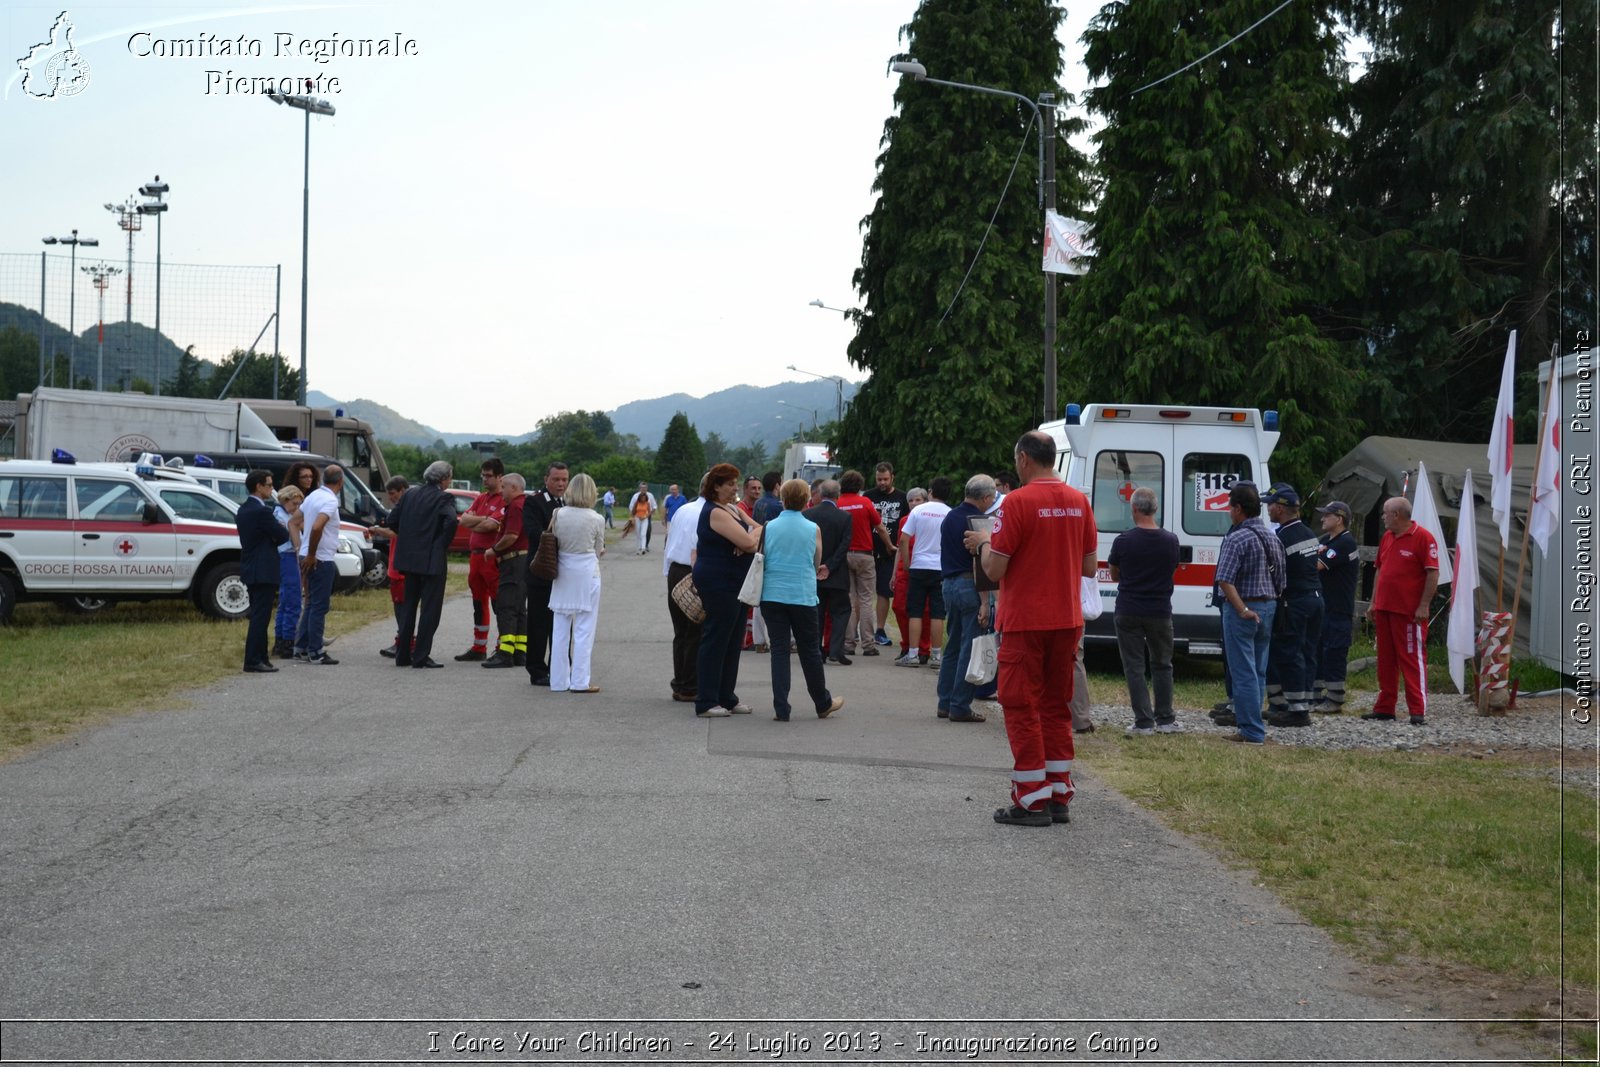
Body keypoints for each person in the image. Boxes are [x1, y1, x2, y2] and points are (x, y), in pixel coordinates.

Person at [965, 431, 1098, 827]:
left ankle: (1030, 800)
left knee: (1021, 705)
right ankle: (1058, 793)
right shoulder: (1079, 501)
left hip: (1026, 620)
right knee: (1057, 706)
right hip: (1067, 619)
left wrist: (985, 542)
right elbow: (1088, 567)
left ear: (1023, 459)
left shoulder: (1017, 503)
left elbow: (995, 569)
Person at [760, 478, 844, 721]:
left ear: (782, 499)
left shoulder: (769, 526)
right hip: (802, 595)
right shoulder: (812, 528)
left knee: (779, 650)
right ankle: (822, 702)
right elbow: (816, 562)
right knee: (809, 650)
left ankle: (781, 707)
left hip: (772, 594)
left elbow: (763, 556)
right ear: (808, 499)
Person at [1214, 482, 1287, 744]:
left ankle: (1251, 730)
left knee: (1242, 671)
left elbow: (1224, 579)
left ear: (1239, 509)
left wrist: (1242, 608)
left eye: (1231, 507)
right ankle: (1255, 726)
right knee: (1258, 671)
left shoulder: (1236, 538)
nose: (1229, 512)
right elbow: (1282, 579)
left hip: (1243, 609)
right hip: (1268, 605)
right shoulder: (1272, 536)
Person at [1108, 486, 1181, 735]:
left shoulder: (1123, 541)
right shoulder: (1171, 540)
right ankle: (1166, 718)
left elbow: (1115, 573)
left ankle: (1143, 721)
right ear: (1156, 509)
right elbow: (1170, 570)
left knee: (1134, 667)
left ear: (1134, 509)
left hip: (1129, 608)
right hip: (1160, 610)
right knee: (1163, 664)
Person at [692, 463, 761, 718]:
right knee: (716, 639)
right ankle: (706, 700)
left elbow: (760, 528)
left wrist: (747, 540)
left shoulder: (732, 509)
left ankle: (727, 697)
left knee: (733, 641)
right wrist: (746, 542)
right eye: (730, 484)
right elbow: (750, 542)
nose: (735, 488)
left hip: (736, 581)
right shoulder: (715, 513)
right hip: (719, 581)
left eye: (735, 483)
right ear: (716, 487)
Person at [1364, 496, 1439, 725]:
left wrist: (1424, 604)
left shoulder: (1423, 538)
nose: (1383, 517)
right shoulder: (1388, 537)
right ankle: (1385, 707)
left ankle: (1417, 709)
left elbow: (1432, 573)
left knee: (1411, 659)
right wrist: (1374, 601)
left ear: (1397, 515)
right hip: (1385, 608)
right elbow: (1380, 570)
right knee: (1385, 660)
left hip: (1407, 612)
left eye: (1385, 513)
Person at [1263, 482, 1324, 729]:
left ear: (1279, 508)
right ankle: (1288, 704)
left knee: (1289, 654)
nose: (1267, 510)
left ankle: (1296, 711)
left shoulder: (1281, 538)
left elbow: (1274, 572)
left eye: (1270, 506)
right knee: (1306, 653)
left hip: (1294, 602)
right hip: (1315, 599)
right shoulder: (1309, 533)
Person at [937, 475, 997, 723]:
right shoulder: (978, 522)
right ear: (985, 498)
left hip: (948, 584)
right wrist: (985, 601)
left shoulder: (950, 516)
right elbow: (978, 565)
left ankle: (945, 701)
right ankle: (960, 705)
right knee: (970, 647)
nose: (992, 502)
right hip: (969, 586)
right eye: (992, 498)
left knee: (952, 645)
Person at [389, 460, 459, 669]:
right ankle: (420, 655)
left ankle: (402, 655)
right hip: (431, 560)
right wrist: (440, 544)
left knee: (409, 607)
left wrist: (409, 538)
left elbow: (392, 520)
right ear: (444, 479)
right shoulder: (444, 497)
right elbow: (452, 521)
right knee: (430, 609)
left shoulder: (410, 494)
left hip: (409, 560)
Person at [547, 473, 607, 693]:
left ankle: (558, 681)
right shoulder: (596, 518)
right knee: (584, 628)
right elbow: (599, 550)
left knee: (560, 627)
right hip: (586, 572)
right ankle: (580, 680)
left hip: (562, 571)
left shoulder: (558, 513)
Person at [836, 470, 893, 656]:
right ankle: (868, 644)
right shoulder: (865, 502)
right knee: (867, 600)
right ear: (860, 485)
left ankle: (848, 644)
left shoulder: (838, 504)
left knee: (850, 601)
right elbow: (880, 528)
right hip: (865, 555)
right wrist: (890, 546)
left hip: (844, 556)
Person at [897, 476, 952, 667]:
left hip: (919, 565)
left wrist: (906, 562)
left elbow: (904, 539)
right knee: (938, 613)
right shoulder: (949, 513)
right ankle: (936, 655)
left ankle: (912, 654)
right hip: (940, 567)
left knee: (915, 612)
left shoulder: (919, 510)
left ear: (930, 492)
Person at [236, 469, 288, 673]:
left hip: (252, 567)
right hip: (263, 569)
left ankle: (262, 657)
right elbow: (282, 535)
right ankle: (252, 659)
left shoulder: (244, 509)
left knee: (261, 614)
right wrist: (277, 531)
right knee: (260, 616)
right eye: (268, 484)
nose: (271, 488)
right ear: (258, 486)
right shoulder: (262, 511)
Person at [456, 458, 506, 663]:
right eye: (483, 475)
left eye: (488, 476)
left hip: (490, 557)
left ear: (499, 477)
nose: (484, 479)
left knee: (498, 602)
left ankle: (502, 645)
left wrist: (477, 522)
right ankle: (479, 646)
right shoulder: (481, 498)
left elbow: (490, 526)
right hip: (475, 557)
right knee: (478, 602)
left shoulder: (504, 499)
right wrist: (483, 520)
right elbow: (464, 520)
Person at [524, 462, 569, 686]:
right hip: (540, 572)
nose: (561, 484)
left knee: (560, 623)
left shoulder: (568, 502)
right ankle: (536, 669)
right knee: (539, 624)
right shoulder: (534, 502)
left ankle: (559, 666)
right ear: (546, 479)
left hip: (563, 574)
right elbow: (533, 533)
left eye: (564, 480)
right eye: (556, 479)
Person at [663, 482, 708, 703]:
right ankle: (690, 686)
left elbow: (669, 540)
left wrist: (666, 572)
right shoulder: (709, 513)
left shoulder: (684, 509)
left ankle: (680, 682)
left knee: (680, 632)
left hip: (674, 570)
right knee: (695, 632)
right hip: (693, 572)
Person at [1313, 500, 1359, 713]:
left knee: (1334, 650)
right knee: (1319, 649)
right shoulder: (1326, 540)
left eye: (1326, 515)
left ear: (1339, 519)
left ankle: (1335, 697)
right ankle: (1317, 693)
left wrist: (1314, 554)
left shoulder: (1345, 543)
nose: (1322, 519)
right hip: (1325, 606)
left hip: (1338, 608)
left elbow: (1316, 565)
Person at [297, 463, 343, 665]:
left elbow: (295, 520)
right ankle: (315, 651)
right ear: (340, 482)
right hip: (320, 558)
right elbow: (317, 527)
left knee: (310, 602)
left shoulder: (313, 496)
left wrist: (304, 548)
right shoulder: (330, 501)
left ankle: (301, 646)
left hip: (306, 553)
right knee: (319, 605)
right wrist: (313, 554)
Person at [804, 480, 853, 665]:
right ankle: (835, 650)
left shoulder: (808, 514)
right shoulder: (845, 517)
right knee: (841, 612)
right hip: (837, 574)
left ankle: (815, 650)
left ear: (821, 494)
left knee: (817, 613)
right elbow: (844, 546)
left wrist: (817, 565)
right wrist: (830, 566)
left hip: (813, 573)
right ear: (837, 495)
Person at [485, 473, 529, 669]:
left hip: (514, 562)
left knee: (506, 607)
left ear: (513, 487)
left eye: (503, 487)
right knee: (519, 609)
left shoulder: (515, 506)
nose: (501, 492)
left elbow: (511, 536)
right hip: (523, 562)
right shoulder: (525, 504)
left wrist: (493, 551)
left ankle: (505, 653)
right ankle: (520, 652)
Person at [865, 461, 909, 648]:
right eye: (878, 479)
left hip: (890, 553)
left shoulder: (902, 498)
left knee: (884, 592)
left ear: (892, 478)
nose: (882, 483)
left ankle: (880, 630)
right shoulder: (868, 496)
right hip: (869, 550)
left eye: (885, 479)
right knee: (863, 595)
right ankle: (859, 632)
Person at [891, 487, 933, 665]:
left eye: (918, 500)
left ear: (925, 501)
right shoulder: (904, 521)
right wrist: (893, 574)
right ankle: (907, 645)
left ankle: (923, 649)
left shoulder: (928, 520)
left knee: (923, 611)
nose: (914, 503)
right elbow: (900, 549)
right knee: (899, 608)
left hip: (922, 569)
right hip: (904, 570)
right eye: (911, 500)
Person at [270, 484, 304, 662]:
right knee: (293, 600)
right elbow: (291, 538)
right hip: (287, 555)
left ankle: (281, 640)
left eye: (299, 504)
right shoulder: (282, 517)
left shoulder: (283, 514)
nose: (297, 508)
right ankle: (287, 642)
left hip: (285, 556)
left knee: (285, 602)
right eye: (294, 504)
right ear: (285, 500)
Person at [378, 476, 410, 659]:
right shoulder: (402, 509)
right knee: (400, 607)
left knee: (402, 607)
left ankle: (404, 642)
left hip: (400, 568)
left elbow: (394, 531)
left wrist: (377, 529)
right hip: (397, 565)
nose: (390, 498)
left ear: (403, 490)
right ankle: (403, 640)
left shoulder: (405, 509)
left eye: (392, 494)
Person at [628, 481, 656, 554]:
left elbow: (654, 507)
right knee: (638, 532)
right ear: (639, 488)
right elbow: (631, 507)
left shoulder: (650, 496)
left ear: (647, 488)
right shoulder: (635, 496)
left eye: (645, 487)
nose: (643, 489)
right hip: (637, 517)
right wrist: (632, 517)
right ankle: (639, 546)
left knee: (647, 531)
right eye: (642, 487)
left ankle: (645, 546)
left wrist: (647, 515)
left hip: (646, 517)